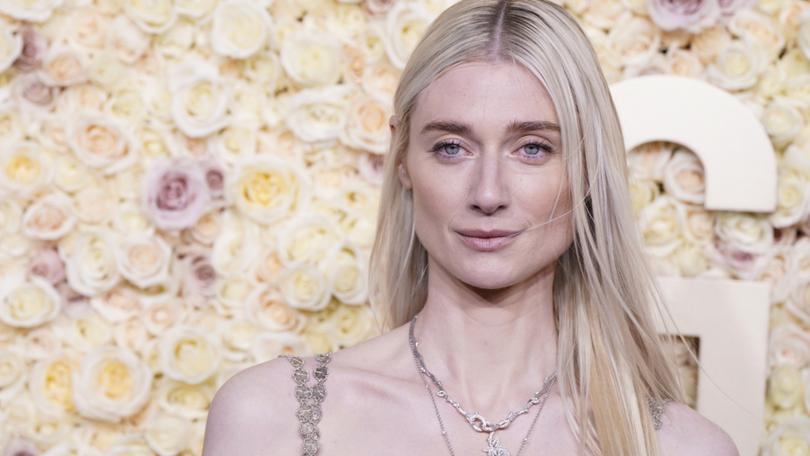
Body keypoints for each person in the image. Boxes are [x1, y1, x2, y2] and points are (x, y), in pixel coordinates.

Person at [202, 0, 740, 454]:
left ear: (588, 168)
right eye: (451, 147)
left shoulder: (682, 446)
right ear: (403, 159)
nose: (487, 194)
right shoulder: (272, 419)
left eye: (532, 148)